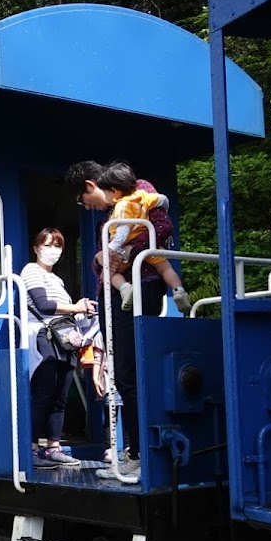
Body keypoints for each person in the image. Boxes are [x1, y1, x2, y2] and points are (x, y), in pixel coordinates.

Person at [67, 160, 169, 479]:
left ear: (91, 186)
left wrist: (115, 259)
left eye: (85, 202)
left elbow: (161, 229)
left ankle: (141, 455)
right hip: (119, 294)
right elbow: (101, 262)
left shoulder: (139, 192)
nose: (88, 208)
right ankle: (137, 453)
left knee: (130, 373)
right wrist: (102, 261)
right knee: (124, 374)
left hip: (137, 289)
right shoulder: (111, 214)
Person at [22, 227, 97, 469]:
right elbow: (43, 305)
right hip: (42, 338)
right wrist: (77, 307)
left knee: (60, 398)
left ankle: (53, 447)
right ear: (36, 248)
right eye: (47, 245)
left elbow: (64, 311)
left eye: (57, 246)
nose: (52, 251)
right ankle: (32, 450)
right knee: (43, 395)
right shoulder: (30, 270)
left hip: (64, 340)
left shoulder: (58, 280)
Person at [95, 161, 192, 313]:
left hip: (125, 248)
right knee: (166, 268)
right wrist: (164, 206)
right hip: (147, 246)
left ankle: (125, 289)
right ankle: (178, 290)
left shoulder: (122, 206)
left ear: (114, 191)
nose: (105, 197)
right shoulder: (142, 196)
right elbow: (162, 200)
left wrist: (111, 248)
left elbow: (123, 231)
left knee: (108, 274)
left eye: (105, 192)